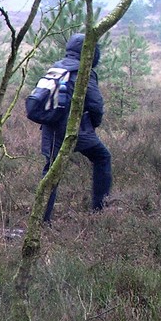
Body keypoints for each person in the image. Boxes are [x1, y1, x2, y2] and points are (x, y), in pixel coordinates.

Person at [40, 33, 111, 222]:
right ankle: (99, 210)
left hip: (50, 128)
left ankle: (42, 220)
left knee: (51, 173)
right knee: (103, 158)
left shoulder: (56, 67)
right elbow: (96, 105)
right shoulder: (84, 71)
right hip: (75, 129)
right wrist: (92, 125)